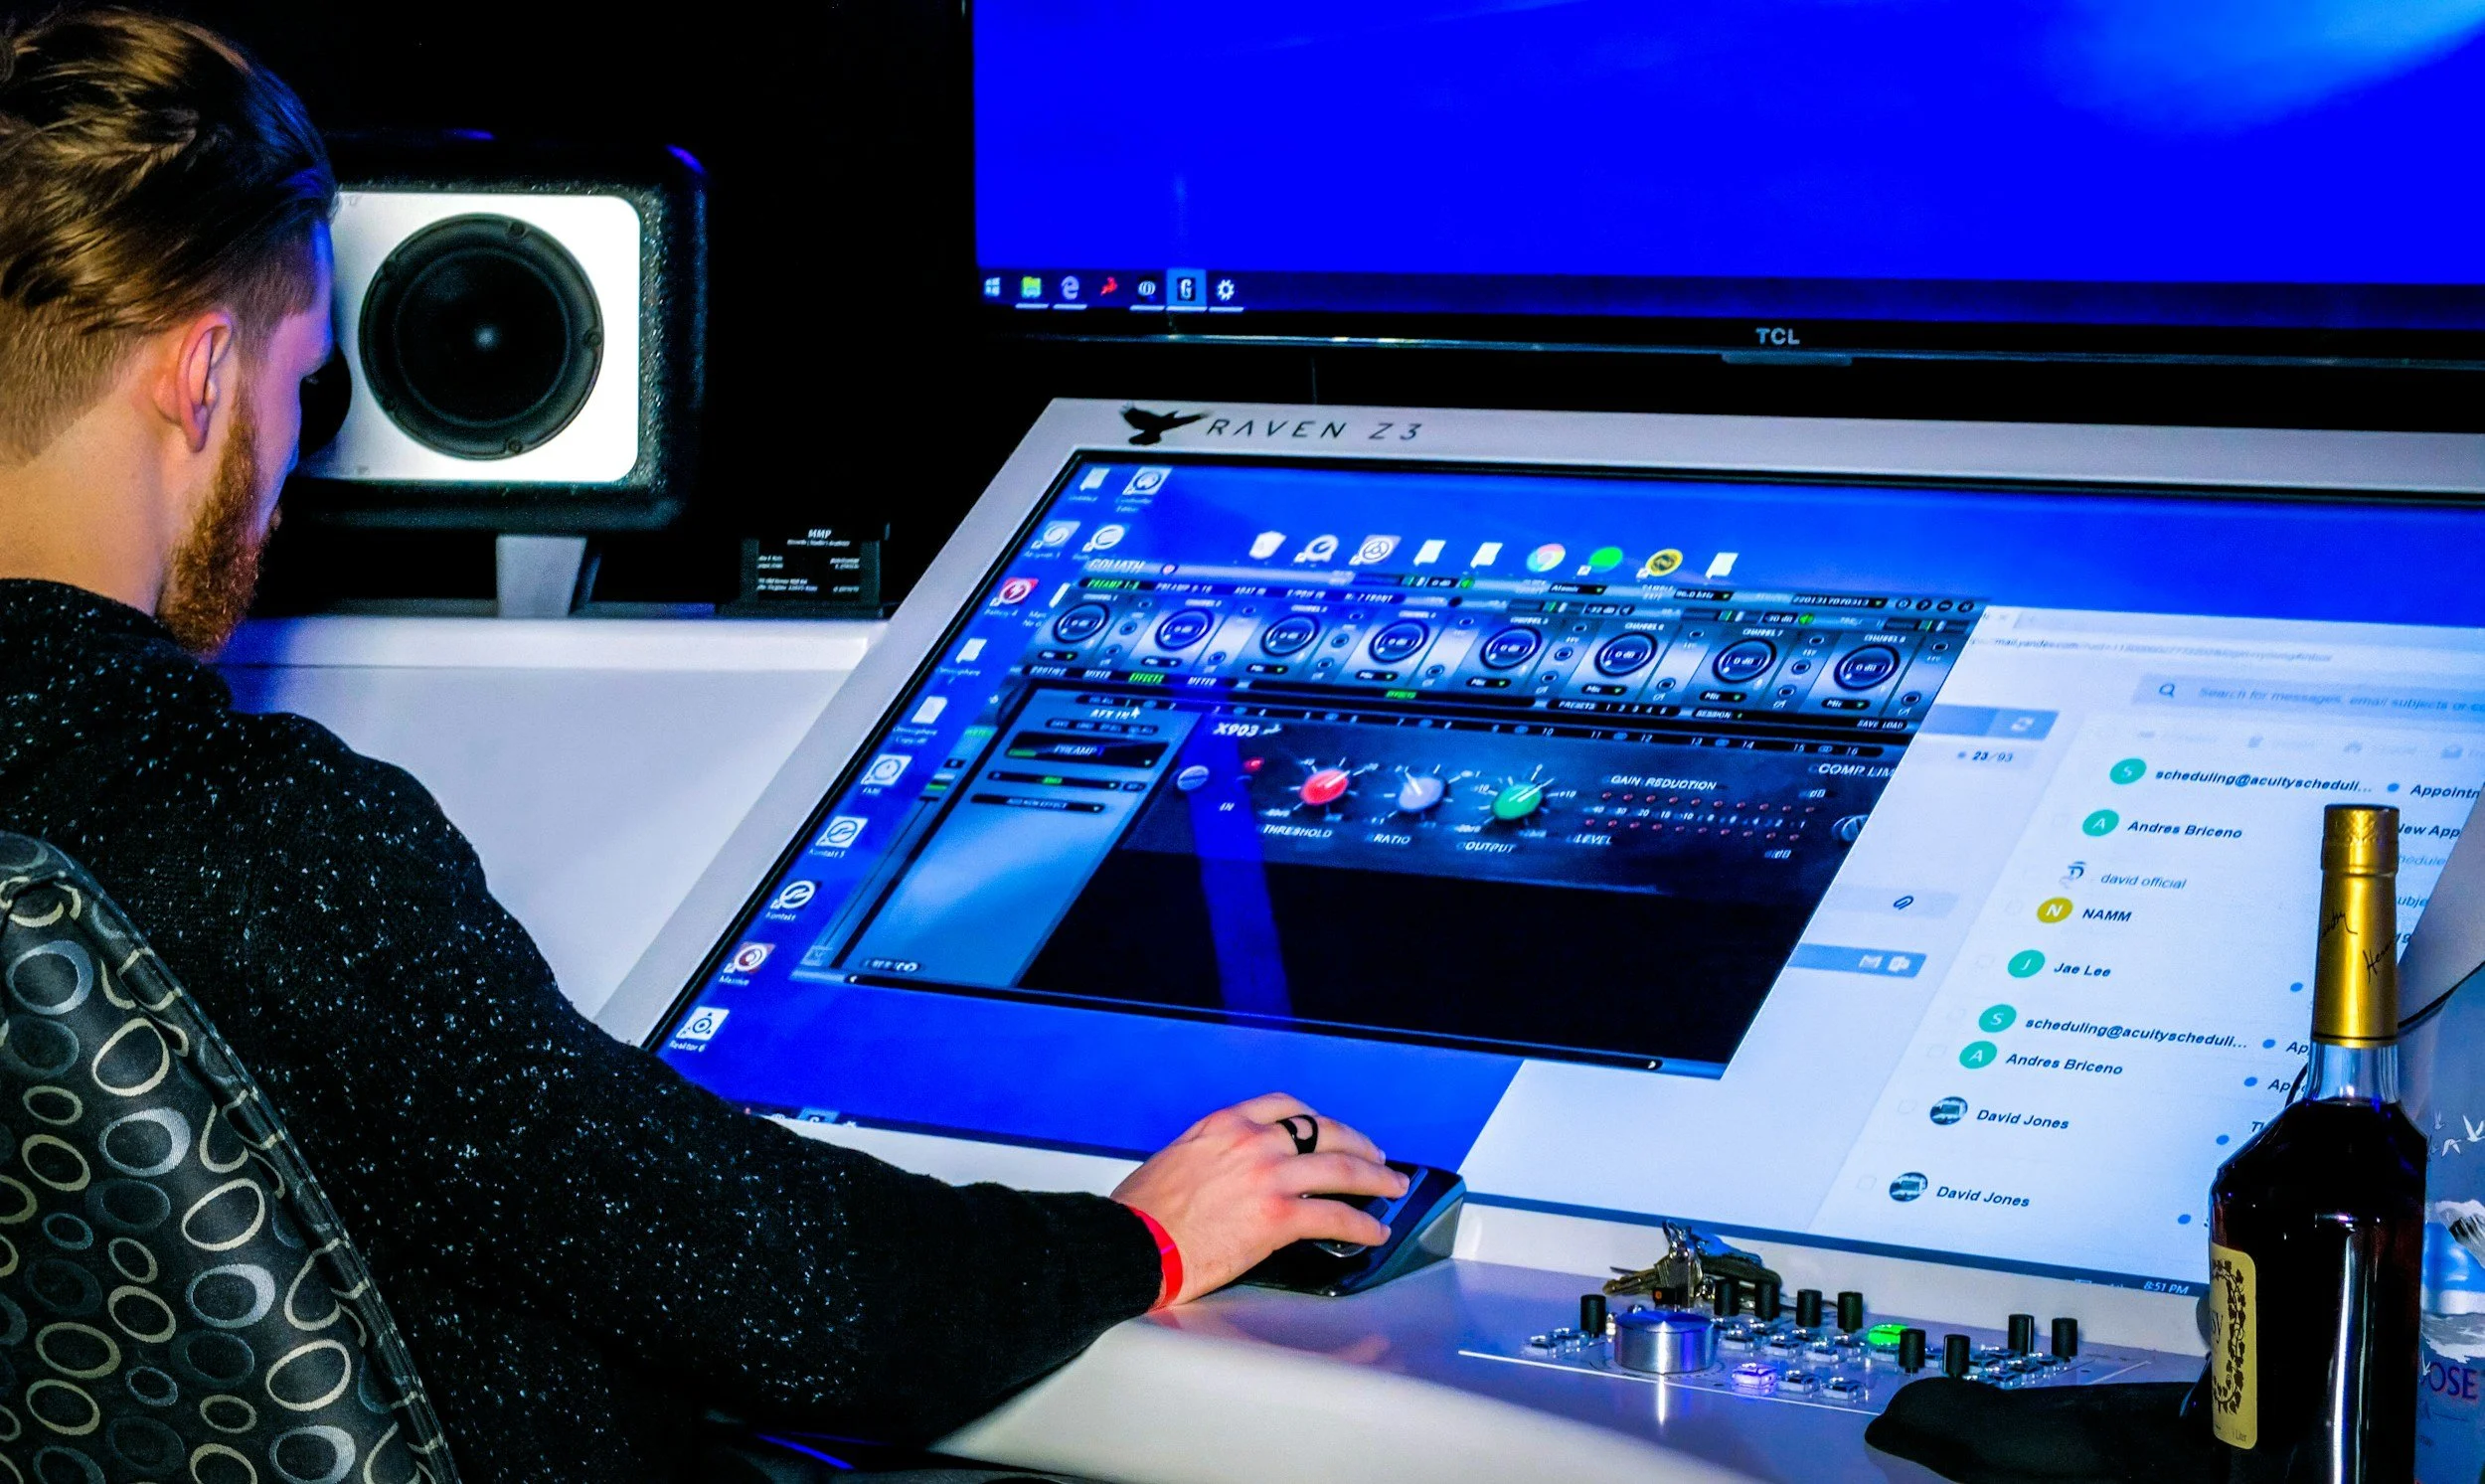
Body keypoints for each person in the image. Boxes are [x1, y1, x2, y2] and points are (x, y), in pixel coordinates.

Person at [0, 11, 1408, 1480]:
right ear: (203, 376)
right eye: (304, 386)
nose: (292, 459)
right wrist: (1141, 1238)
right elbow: (788, 1298)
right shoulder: (256, 836)